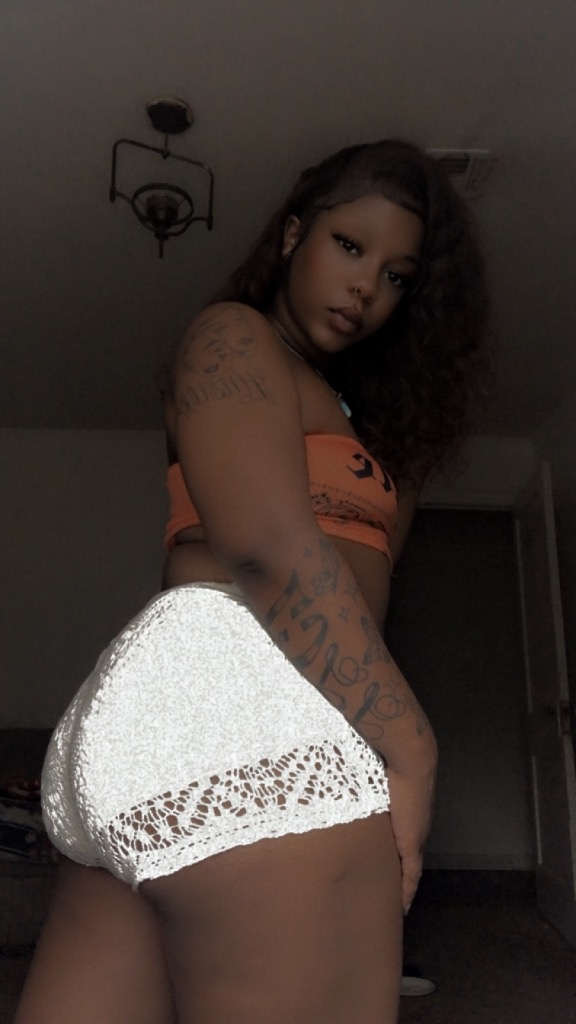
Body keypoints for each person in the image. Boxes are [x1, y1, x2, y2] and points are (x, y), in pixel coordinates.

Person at [16, 138, 489, 1024]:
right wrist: (412, 748)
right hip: (244, 704)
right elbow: (265, 548)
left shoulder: (351, 416)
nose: (366, 287)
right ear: (293, 235)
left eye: (396, 276)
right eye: (349, 246)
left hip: (173, 726)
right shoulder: (233, 335)